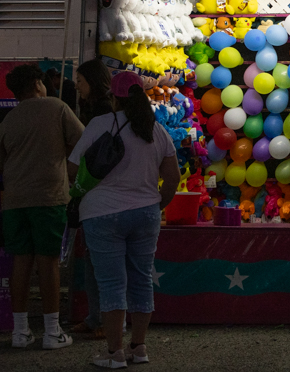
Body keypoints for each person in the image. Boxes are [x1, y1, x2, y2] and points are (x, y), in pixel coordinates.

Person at [67, 71, 180, 368]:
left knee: (111, 284)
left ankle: (114, 352)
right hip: (146, 214)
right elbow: (172, 177)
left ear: (114, 98)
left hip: (102, 213)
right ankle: (138, 348)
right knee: (141, 279)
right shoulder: (156, 130)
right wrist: (157, 204)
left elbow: (72, 167)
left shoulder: (99, 124)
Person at [0, 64, 83, 350]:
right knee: (48, 262)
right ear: (38, 84)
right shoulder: (56, 107)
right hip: (49, 197)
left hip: (14, 200)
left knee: (21, 261)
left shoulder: (8, 120)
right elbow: (83, 142)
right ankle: (51, 331)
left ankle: (20, 331)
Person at [70, 59, 114, 341]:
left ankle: (104, 320)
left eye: (81, 81)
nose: (77, 86)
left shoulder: (102, 113)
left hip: (99, 193)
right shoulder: (96, 109)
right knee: (93, 261)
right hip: (95, 195)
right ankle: (96, 317)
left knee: (102, 264)